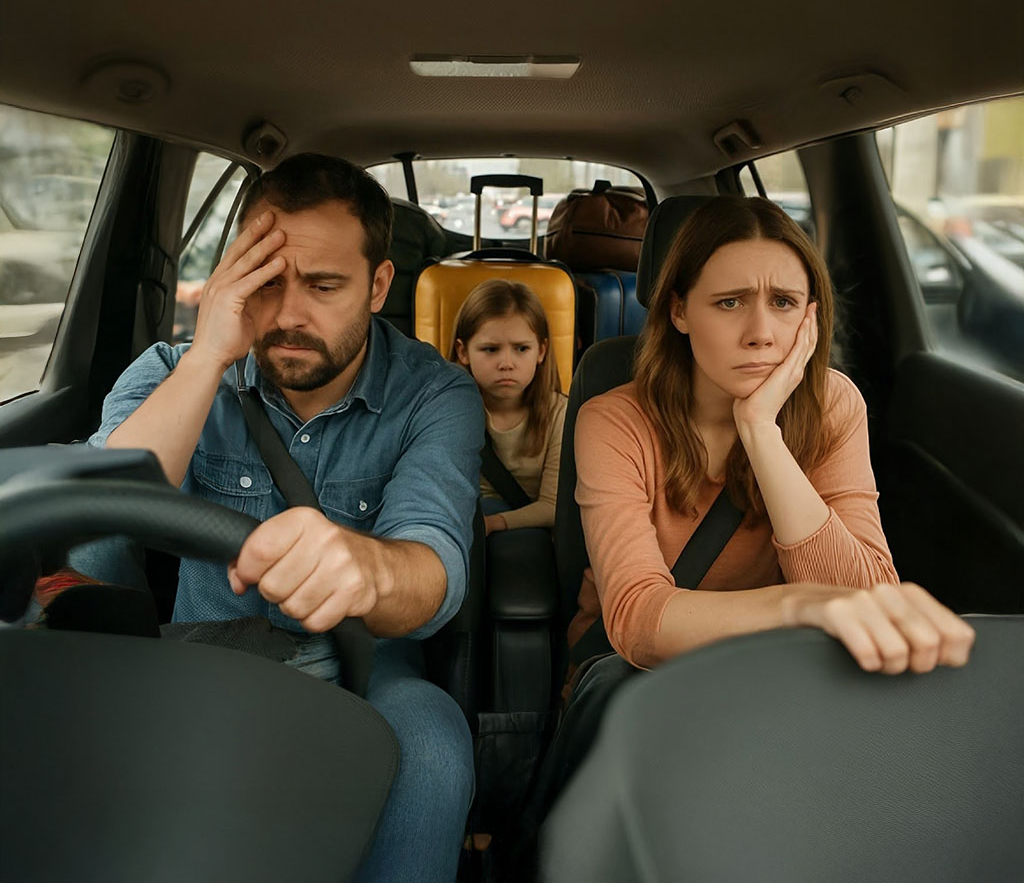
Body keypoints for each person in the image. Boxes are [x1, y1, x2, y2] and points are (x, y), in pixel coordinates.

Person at [77, 153, 484, 883]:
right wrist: (209, 356)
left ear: (378, 285)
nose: (290, 315)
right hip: (206, 655)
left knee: (434, 749)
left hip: (367, 668)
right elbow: (103, 510)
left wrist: (363, 567)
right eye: (267, 282)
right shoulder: (172, 370)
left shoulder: (435, 393)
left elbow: (435, 566)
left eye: (324, 286)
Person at [571, 195, 975, 675]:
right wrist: (799, 606)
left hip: (782, 669)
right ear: (679, 311)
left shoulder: (832, 405)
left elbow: (865, 596)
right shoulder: (615, 421)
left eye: (783, 302)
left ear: (810, 316)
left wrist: (761, 431)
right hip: (644, 680)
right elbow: (638, 621)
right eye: (730, 302)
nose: (760, 333)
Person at [450, 279, 567, 535]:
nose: (506, 363)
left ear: (541, 351)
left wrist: (493, 523)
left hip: (530, 535)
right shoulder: (447, 411)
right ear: (463, 352)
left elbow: (553, 506)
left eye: (521, 349)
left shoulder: (559, 414)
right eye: (491, 349)